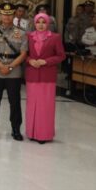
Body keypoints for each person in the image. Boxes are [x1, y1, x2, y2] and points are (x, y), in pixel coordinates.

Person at [0, 2, 28, 141]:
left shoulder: (21, 32)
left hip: (14, 71)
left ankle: (16, 129)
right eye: (4, 14)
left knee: (15, 102)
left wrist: (9, 67)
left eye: (9, 14)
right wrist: (1, 66)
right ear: (0, 15)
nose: (7, 17)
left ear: (14, 15)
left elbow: (23, 54)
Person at [25, 13, 66, 144]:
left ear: (48, 23)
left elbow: (61, 56)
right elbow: (23, 54)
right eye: (38, 22)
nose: (41, 25)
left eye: (43, 22)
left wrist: (46, 61)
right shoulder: (29, 37)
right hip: (32, 75)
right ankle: (31, 132)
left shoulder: (55, 37)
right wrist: (30, 60)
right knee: (32, 105)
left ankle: (44, 134)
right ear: (34, 23)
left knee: (45, 106)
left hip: (47, 77)